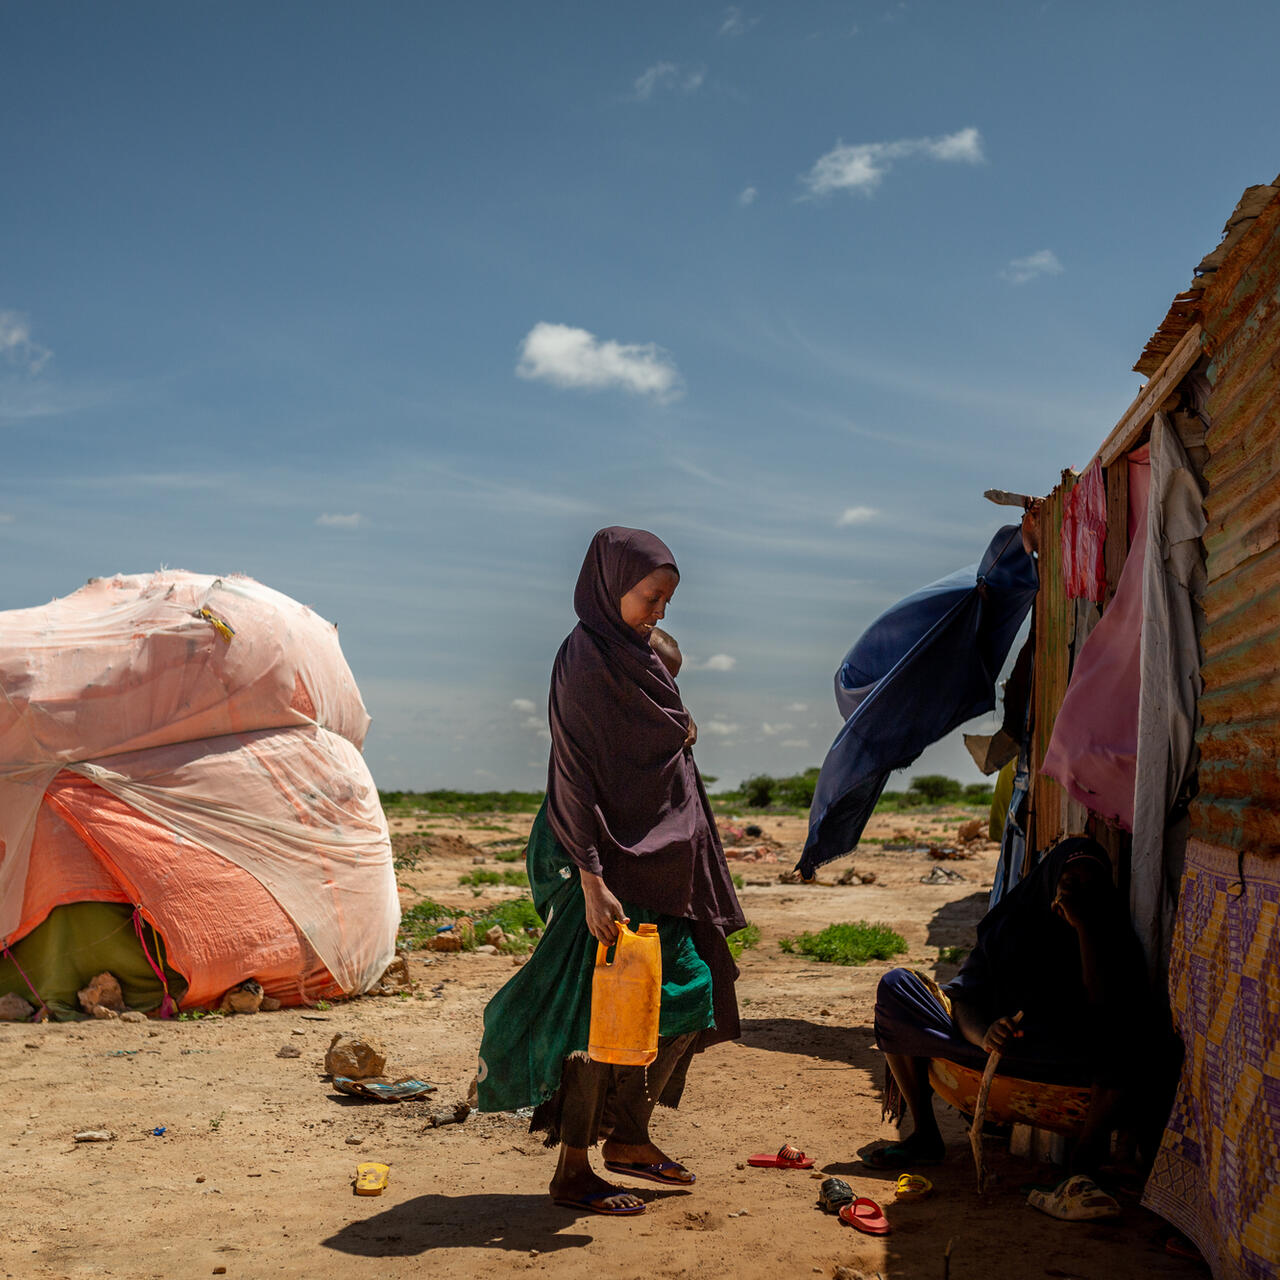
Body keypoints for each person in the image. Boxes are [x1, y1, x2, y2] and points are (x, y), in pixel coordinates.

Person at [475, 527, 744, 1216]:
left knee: (687, 992)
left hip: (658, 869)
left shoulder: (641, 658)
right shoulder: (587, 659)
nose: (658, 611)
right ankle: (573, 1169)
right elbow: (574, 776)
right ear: (610, 584)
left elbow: (664, 749)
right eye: (650, 596)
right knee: (598, 1017)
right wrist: (593, 881)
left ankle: (628, 1136)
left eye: (666, 600)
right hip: (603, 867)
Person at [869, 836, 1171, 1179]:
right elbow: (965, 997)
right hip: (995, 1052)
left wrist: (1084, 927)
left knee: (1135, 1031)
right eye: (1070, 883)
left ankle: (1083, 1164)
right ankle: (925, 1134)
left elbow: (1107, 1010)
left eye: (1091, 886)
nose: (1079, 894)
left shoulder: (1113, 935)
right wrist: (985, 1033)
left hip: (1066, 1066)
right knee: (897, 986)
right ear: (1051, 881)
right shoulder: (1011, 925)